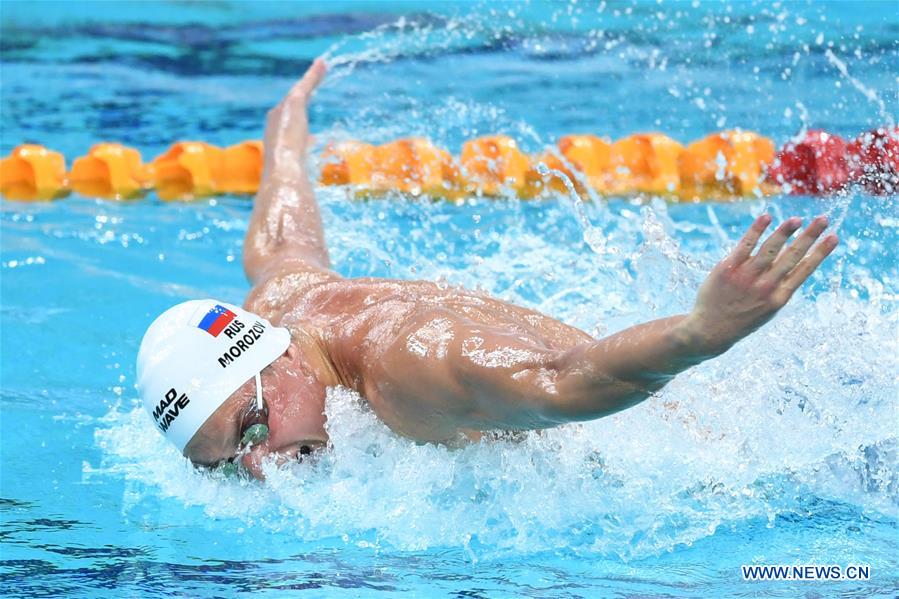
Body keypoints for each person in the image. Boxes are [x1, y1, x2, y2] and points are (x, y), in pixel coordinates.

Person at [136, 59, 838, 480]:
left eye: (252, 430)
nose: (259, 468)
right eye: (225, 465)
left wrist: (700, 332)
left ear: (276, 357)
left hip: (710, 460)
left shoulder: (408, 364)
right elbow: (282, 219)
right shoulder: (283, 297)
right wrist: (285, 124)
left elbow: (566, 381)